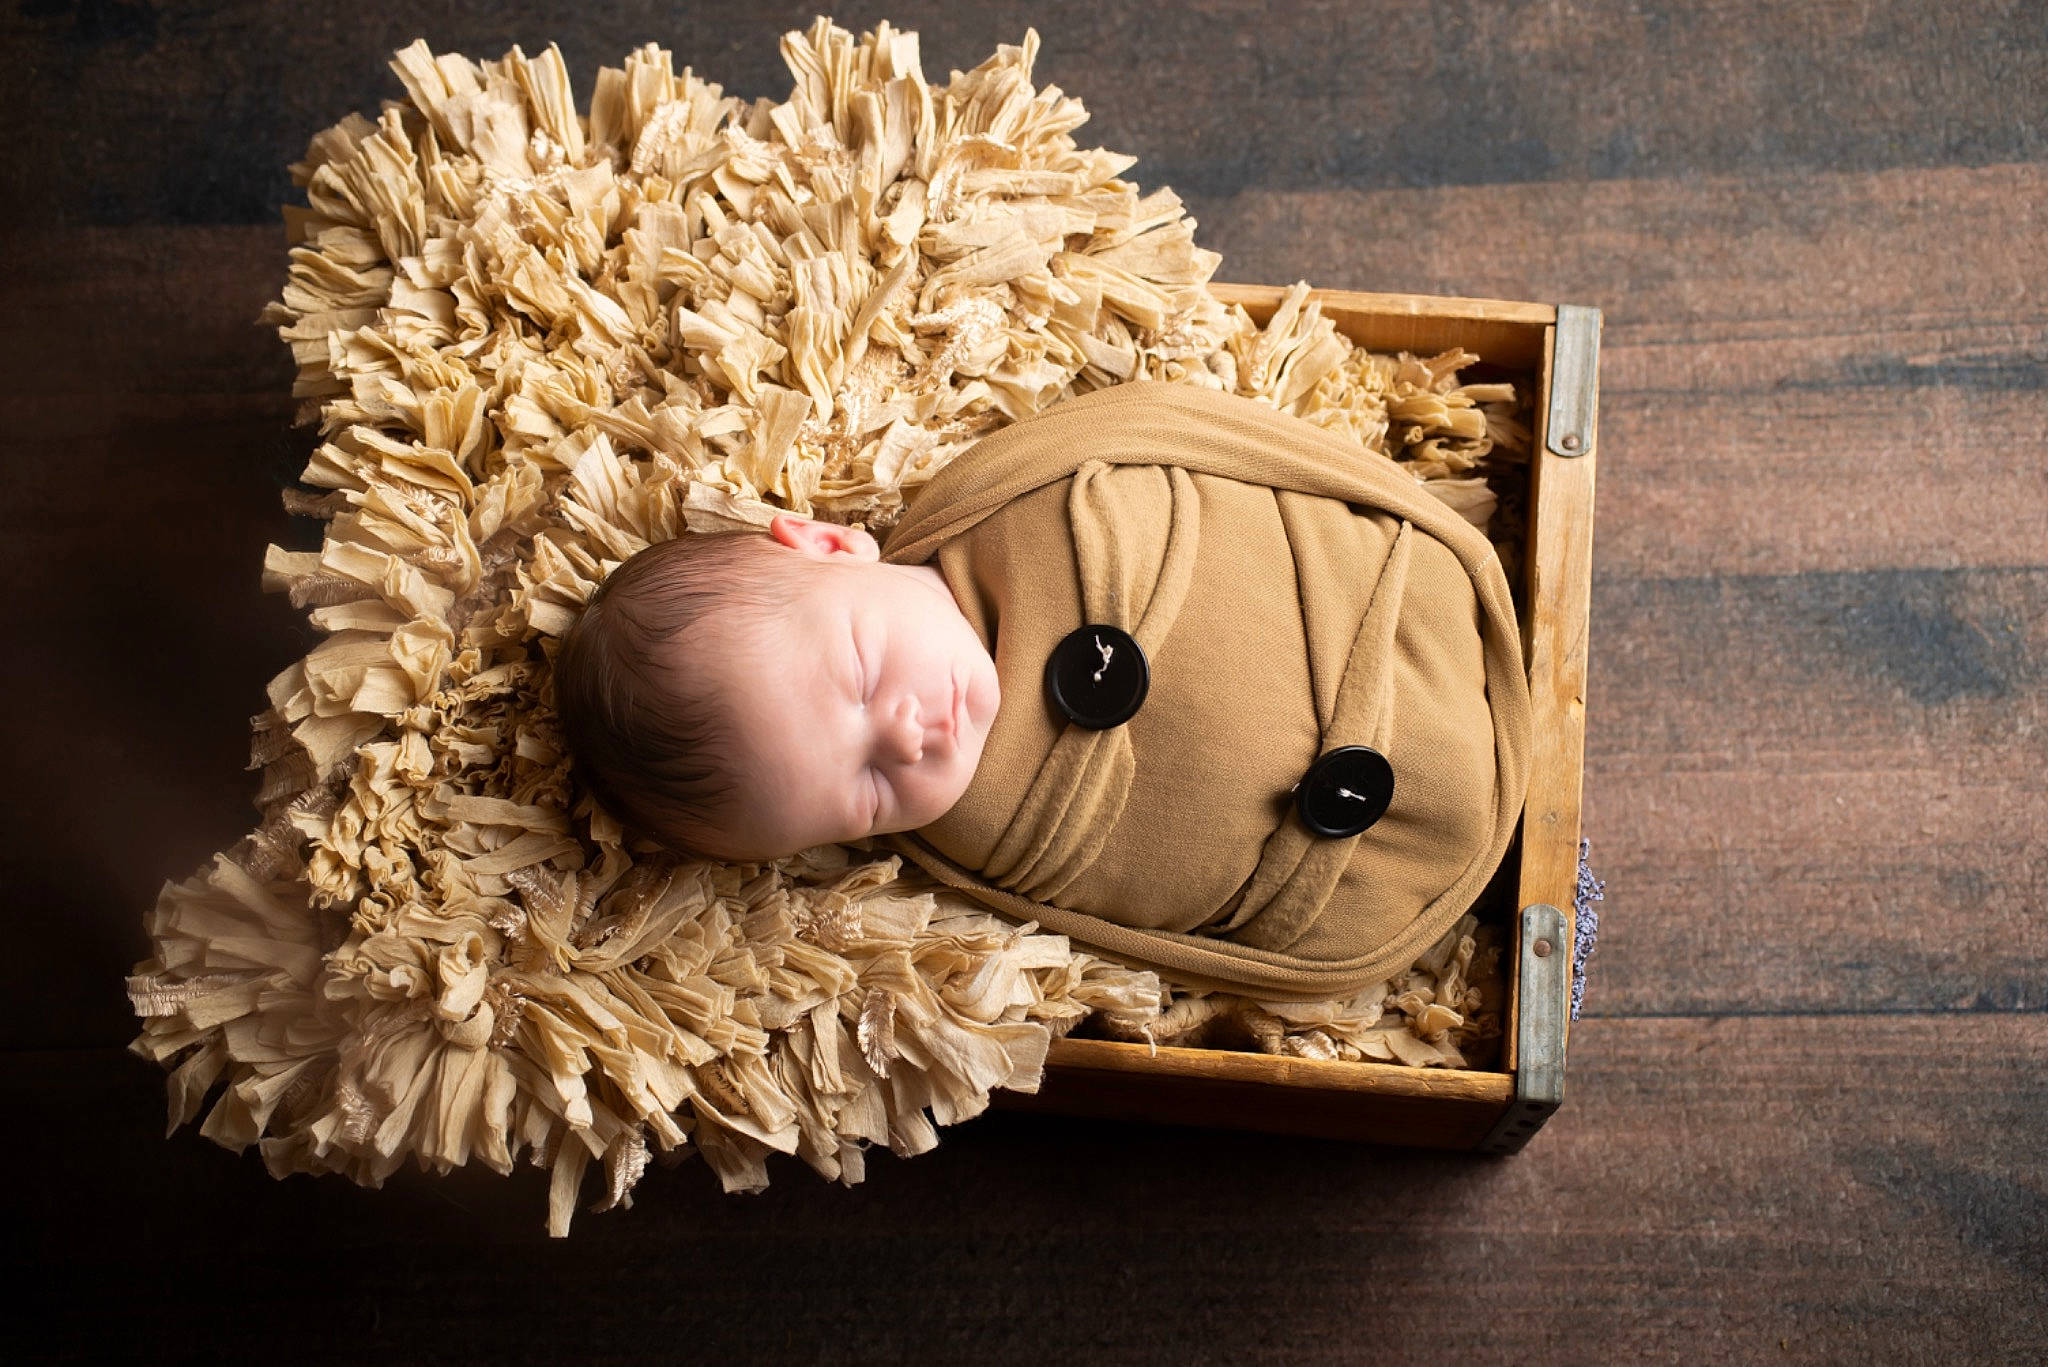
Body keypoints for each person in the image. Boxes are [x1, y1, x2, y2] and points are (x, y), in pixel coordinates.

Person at [555, 382, 1529, 999]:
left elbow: (1179, 431)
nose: (902, 737)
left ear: (828, 543)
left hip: (1416, 613)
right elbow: (1126, 930)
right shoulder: (964, 852)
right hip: (1390, 883)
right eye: (862, 789)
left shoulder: (1009, 503)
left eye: (859, 673)